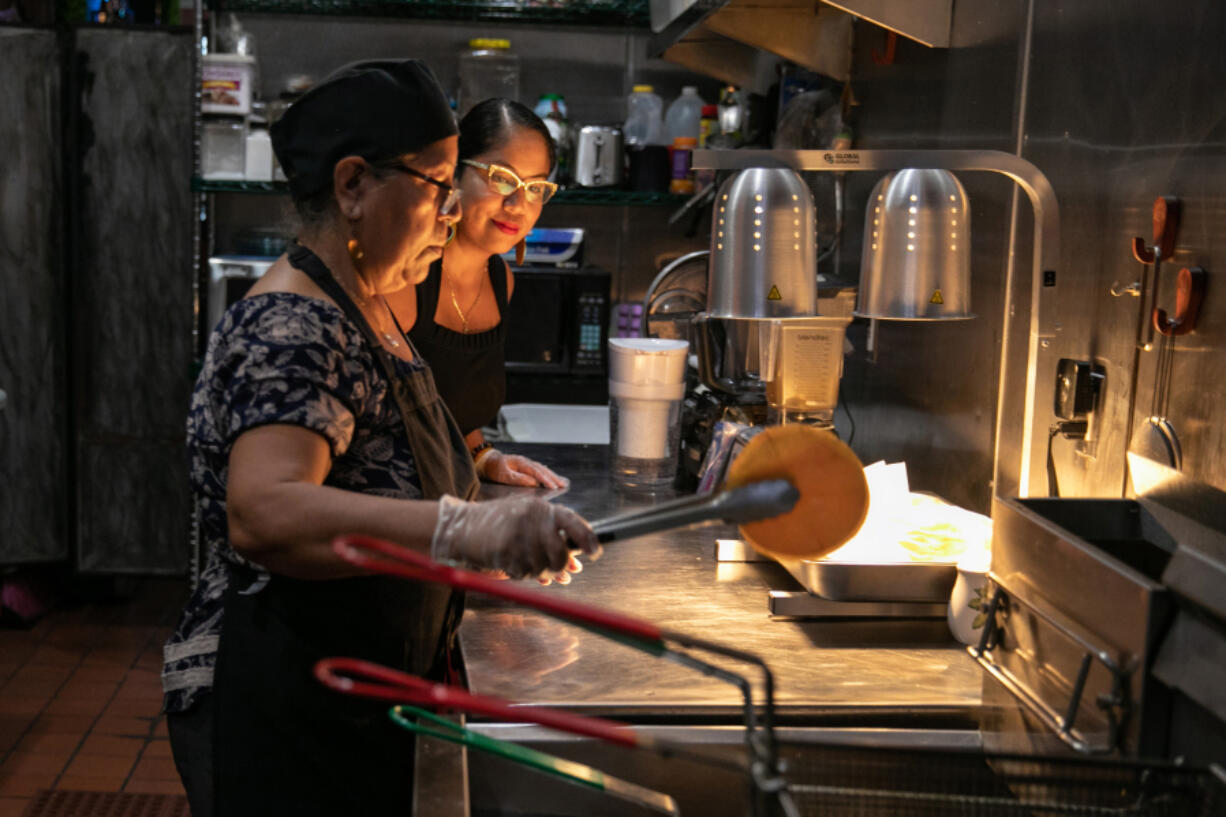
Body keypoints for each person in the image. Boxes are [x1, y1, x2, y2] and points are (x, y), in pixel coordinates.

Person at [160, 60, 599, 817]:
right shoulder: (293, 323)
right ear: (353, 185)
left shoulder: (369, 303)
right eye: (436, 186)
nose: (450, 211)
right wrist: (467, 528)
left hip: (359, 689)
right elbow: (265, 510)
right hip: (288, 708)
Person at [386, 98, 566, 490]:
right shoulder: (407, 276)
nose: (517, 205)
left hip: (445, 498)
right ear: (453, 175)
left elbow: (452, 412)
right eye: (502, 178)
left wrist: (485, 456)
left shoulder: (502, 281)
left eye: (535, 188)